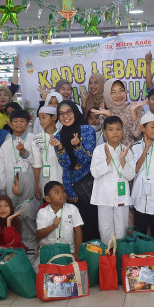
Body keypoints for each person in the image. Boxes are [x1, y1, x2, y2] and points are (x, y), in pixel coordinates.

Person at [53, 101, 97, 241]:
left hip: (88, 185)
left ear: (75, 112)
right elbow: (65, 164)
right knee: (77, 227)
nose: (65, 116)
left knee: (93, 223)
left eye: (69, 112)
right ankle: (82, 257)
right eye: (61, 113)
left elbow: (87, 161)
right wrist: (60, 147)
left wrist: (77, 146)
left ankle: (96, 257)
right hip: (71, 186)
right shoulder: (58, 136)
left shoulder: (87, 130)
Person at [90, 116, 136, 245]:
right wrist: (107, 160)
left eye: (118, 129)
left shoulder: (127, 151)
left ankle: (120, 256)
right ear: (104, 132)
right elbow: (94, 172)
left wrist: (122, 161)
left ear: (122, 131)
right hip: (104, 198)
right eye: (111, 129)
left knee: (121, 230)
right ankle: (108, 259)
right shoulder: (99, 150)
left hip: (121, 198)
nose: (115, 132)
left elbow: (131, 175)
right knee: (105, 230)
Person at [37, 180, 83, 258]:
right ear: (48, 198)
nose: (62, 194)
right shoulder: (42, 212)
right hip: (48, 252)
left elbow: (78, 231)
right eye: (57, 192)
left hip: (69, 251)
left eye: (63, 191)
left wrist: (76, 253)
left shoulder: (72, 209)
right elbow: (39, 235)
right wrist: (53, 226)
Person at [96, 78, 145, 146]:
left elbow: (138, 136)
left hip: (138, 153)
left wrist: (133, 114)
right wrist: (110, 118)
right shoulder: (104, 114)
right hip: (116, 153)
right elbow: (111, 141)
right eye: (113, 92)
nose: (118, 95)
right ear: (107, 94)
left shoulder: (136, 108)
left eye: (121, 90)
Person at [31, 106, 63, 200]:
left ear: (54, 117)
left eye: (44, 117)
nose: (41, 121)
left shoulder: (63, 135)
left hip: (61, 178)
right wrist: (37, 184)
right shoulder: (36, 139)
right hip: (44, 180)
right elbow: (37, 164)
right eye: (40, 118)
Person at [9, 168, 40, 254]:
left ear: (24, 186)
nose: (12, 186)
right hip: (26, 240)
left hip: (29, 243)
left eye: (15, 184)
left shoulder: (25, 206)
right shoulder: (26, 198)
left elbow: (9, 219)